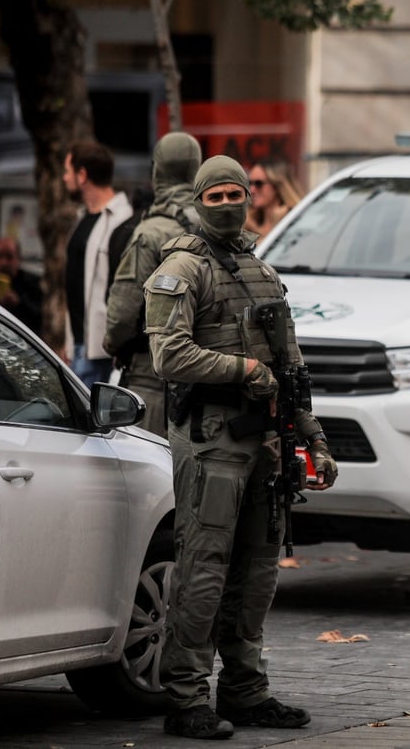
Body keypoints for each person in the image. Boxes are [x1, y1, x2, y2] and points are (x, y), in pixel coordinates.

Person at [144, 155, 339, 739]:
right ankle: (185, 698)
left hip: (268, 445)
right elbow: (168, 355)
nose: (229, 203)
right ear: (199, 199)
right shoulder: (183, 268)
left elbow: (292, 367)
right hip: (213, 443)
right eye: (217, 194)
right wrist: (242, 370)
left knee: (257, 573)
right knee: (204, 571)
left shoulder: (261, 269)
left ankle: (246, 691)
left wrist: (315, 439)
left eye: (237, 193)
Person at [104, 132, 202, 436]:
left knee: (150, 471)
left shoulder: (150, 233)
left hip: (154, 376)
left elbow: (122, 313)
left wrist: (113, 344)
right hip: (211, 382)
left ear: (157, 171)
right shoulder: (217, 224)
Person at [63, 141, 132, 387]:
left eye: (68, 171)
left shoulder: (123, 219)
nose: (64, 178)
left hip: (102, 350)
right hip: (80, 344)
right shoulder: (83, 217)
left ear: (82, 176)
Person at [0, 236, 43, 334]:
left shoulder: (32, 283)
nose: (4, 263)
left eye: (9, 257)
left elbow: (40, 318)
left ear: (18, 259)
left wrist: (19, 304)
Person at [244, 160, 303, 238]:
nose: (252, 190)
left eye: (259, 184)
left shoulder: (296, 220)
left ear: (276, 186)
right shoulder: (247, 223)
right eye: (250, 183)